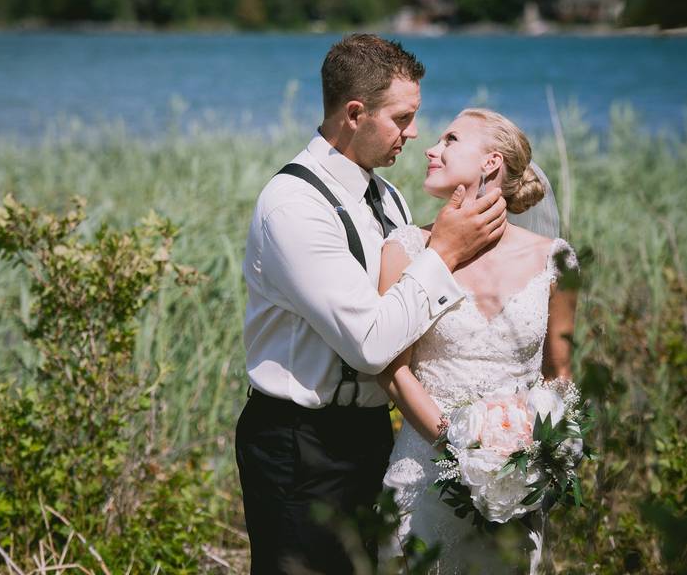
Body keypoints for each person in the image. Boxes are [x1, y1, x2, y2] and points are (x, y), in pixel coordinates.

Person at [236, 34, 509, 574]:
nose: (414, 134)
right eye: (403, 119)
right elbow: (370, 343)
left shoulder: (387, 196)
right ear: (355, 114)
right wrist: (446, 251)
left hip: (373, 435)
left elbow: (409, 317)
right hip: (299, 444)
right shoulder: (295, 207)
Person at [377, 108, 578, 575]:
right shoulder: (404, 248)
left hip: (515, 488)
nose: (430, 147)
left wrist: (547, 450)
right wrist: (461, 448)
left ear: (490, 163)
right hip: (421, 475)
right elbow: (392, 369)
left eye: (450, 139)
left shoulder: (556, 260)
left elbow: (559, 374)